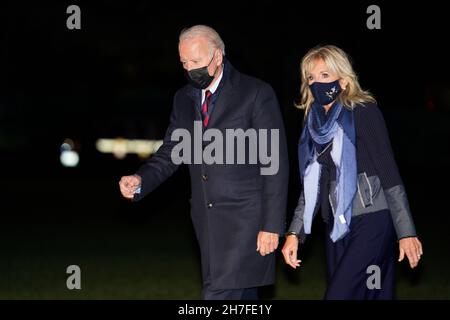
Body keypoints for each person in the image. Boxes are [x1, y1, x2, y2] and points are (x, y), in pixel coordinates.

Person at [119, 25, 289, 300]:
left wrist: (271, 224)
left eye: (196, 62)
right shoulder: (183, 99)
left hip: (247, 221)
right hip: (206, 220)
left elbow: (274, 163)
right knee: (241, 298)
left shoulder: (255, 93)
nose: (190, 69)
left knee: (218, 294)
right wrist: (141, 180)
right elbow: (173, 151)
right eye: (184, 63)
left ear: (218, 57)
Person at [281, 45, 423, 299]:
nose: (316, 83)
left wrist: (406, 232)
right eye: (311, 78)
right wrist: (294, 233)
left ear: (343, 81)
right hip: (335, 225)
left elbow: (389, 171)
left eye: (325, 75)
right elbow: (311, 186)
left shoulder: (363, 112)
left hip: (372, 219)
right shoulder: (312, 125)